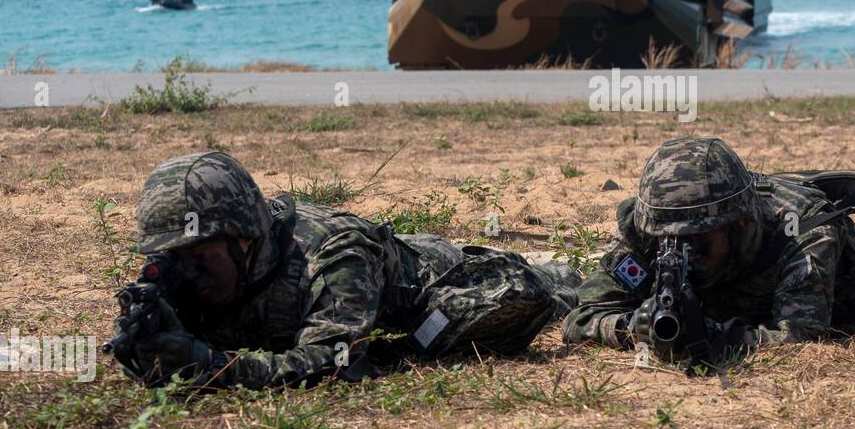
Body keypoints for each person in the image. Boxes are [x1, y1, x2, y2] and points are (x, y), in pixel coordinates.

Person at [111, 151, 580, 389]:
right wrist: (148, 345)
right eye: (173, 259)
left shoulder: (334, 255)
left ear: (245, 240)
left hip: (442, 280)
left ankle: (573, 276)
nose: (186, 274)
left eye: (199, 260)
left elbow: (333, 362)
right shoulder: (187, 269)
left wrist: (216, 367)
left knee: (530, 291)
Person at [564, 137, 855, 363]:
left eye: (699, 241)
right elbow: (582, 315)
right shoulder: (654, 229)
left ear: (738, 224)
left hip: (847, 292)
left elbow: (801, 339)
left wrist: (717, 338)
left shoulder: (801, 233)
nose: (682, 252)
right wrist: (629, 328)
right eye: (670, 239)